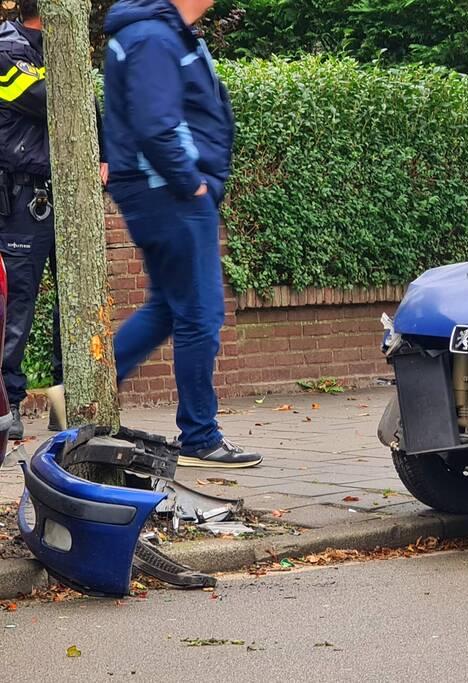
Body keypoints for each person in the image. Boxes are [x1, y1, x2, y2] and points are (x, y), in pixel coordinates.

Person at [103, 0, 261, 468]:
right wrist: (192, 183)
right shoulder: (152, 36)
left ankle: (81, 391)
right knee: (200, 314)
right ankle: (199, 437)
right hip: (170, 192)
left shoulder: (159, 32)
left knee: (167, 309)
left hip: (164, 190)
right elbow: (156, 124)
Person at [0, 0, 106, 439]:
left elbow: (87, 106)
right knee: (17, 304)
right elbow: (56, 100)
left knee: (74, 301)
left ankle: (67, 405)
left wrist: (103, 154)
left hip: (65, 194)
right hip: (23, 197)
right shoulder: (6, 51)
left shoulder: (58, 48)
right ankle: (7, 404)